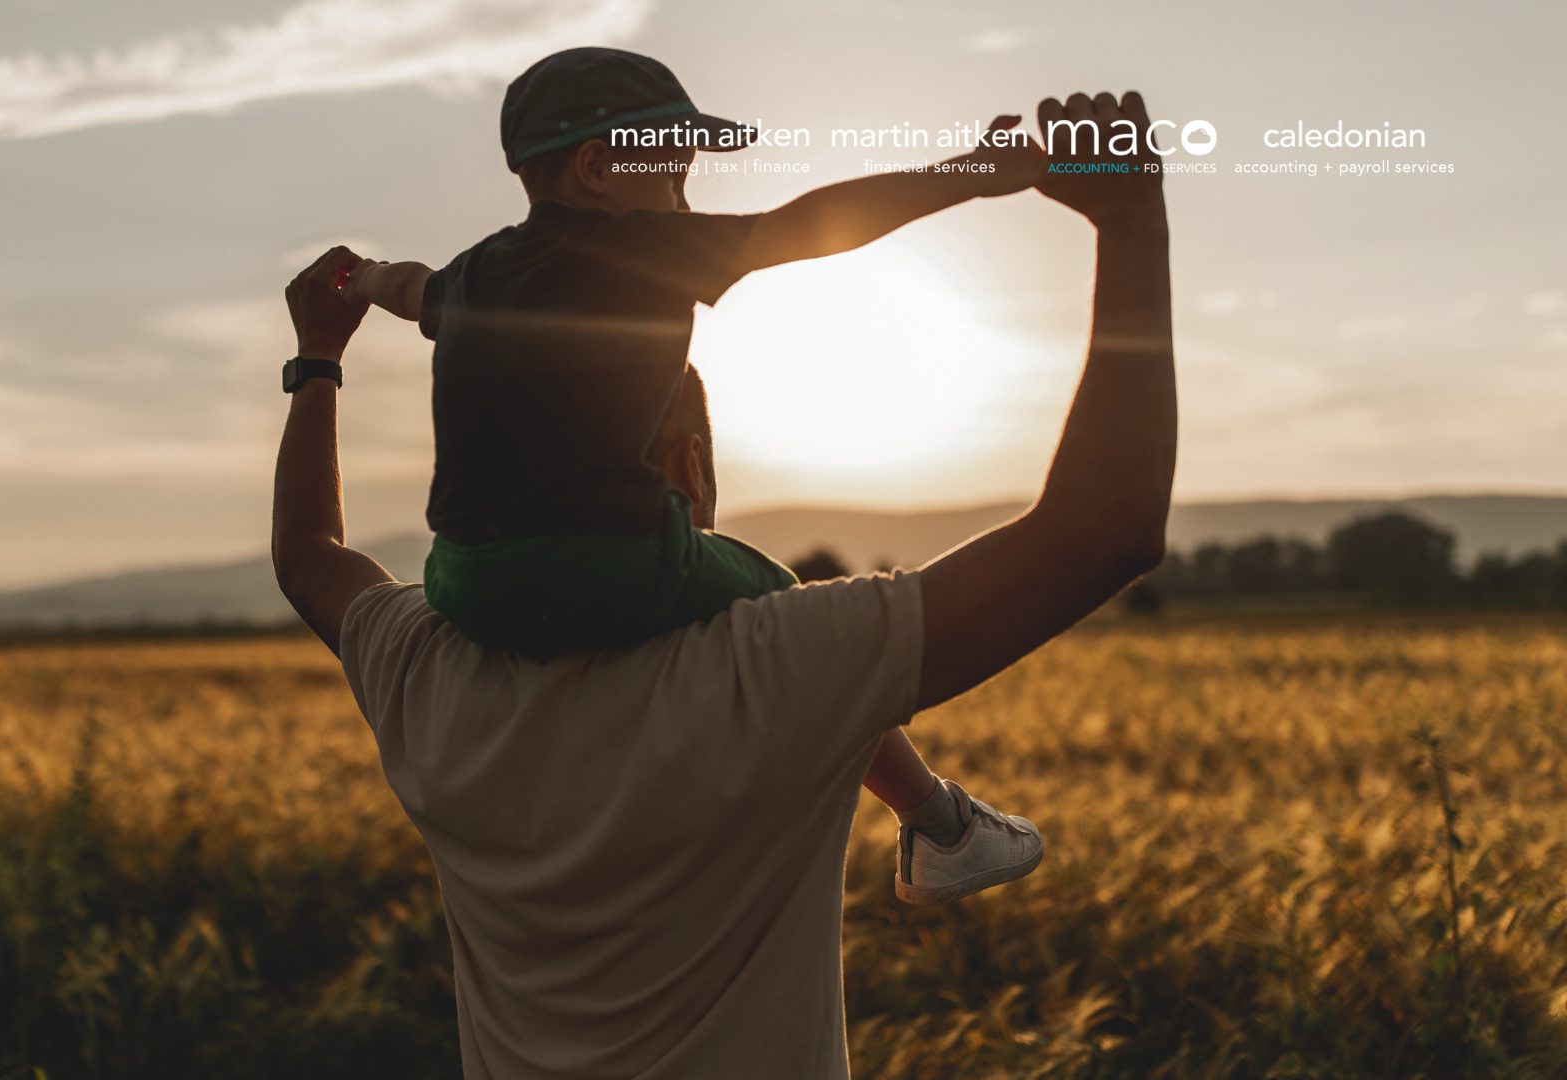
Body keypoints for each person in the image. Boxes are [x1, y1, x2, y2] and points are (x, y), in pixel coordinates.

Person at [273, 89, 1175, 1078]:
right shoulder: (774, 661)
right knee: (769, 586)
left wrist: (318, 356)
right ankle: (940, 820)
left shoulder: (424, 672)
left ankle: (942, 819)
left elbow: (308, 551)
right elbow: (1105, 530)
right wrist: (1122, 218)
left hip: (466, 570)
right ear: (692, 466)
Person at [334, 46, 1050, 891]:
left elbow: (408, 286)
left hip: (460, 576)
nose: (685, 199)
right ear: (600, 166)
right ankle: (938, 824)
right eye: (675, 174)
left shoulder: (476, 273)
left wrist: (356, 277)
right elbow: (812, 223)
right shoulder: (640, 248)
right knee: (786, 609)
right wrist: (969, 172)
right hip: (606, 562)